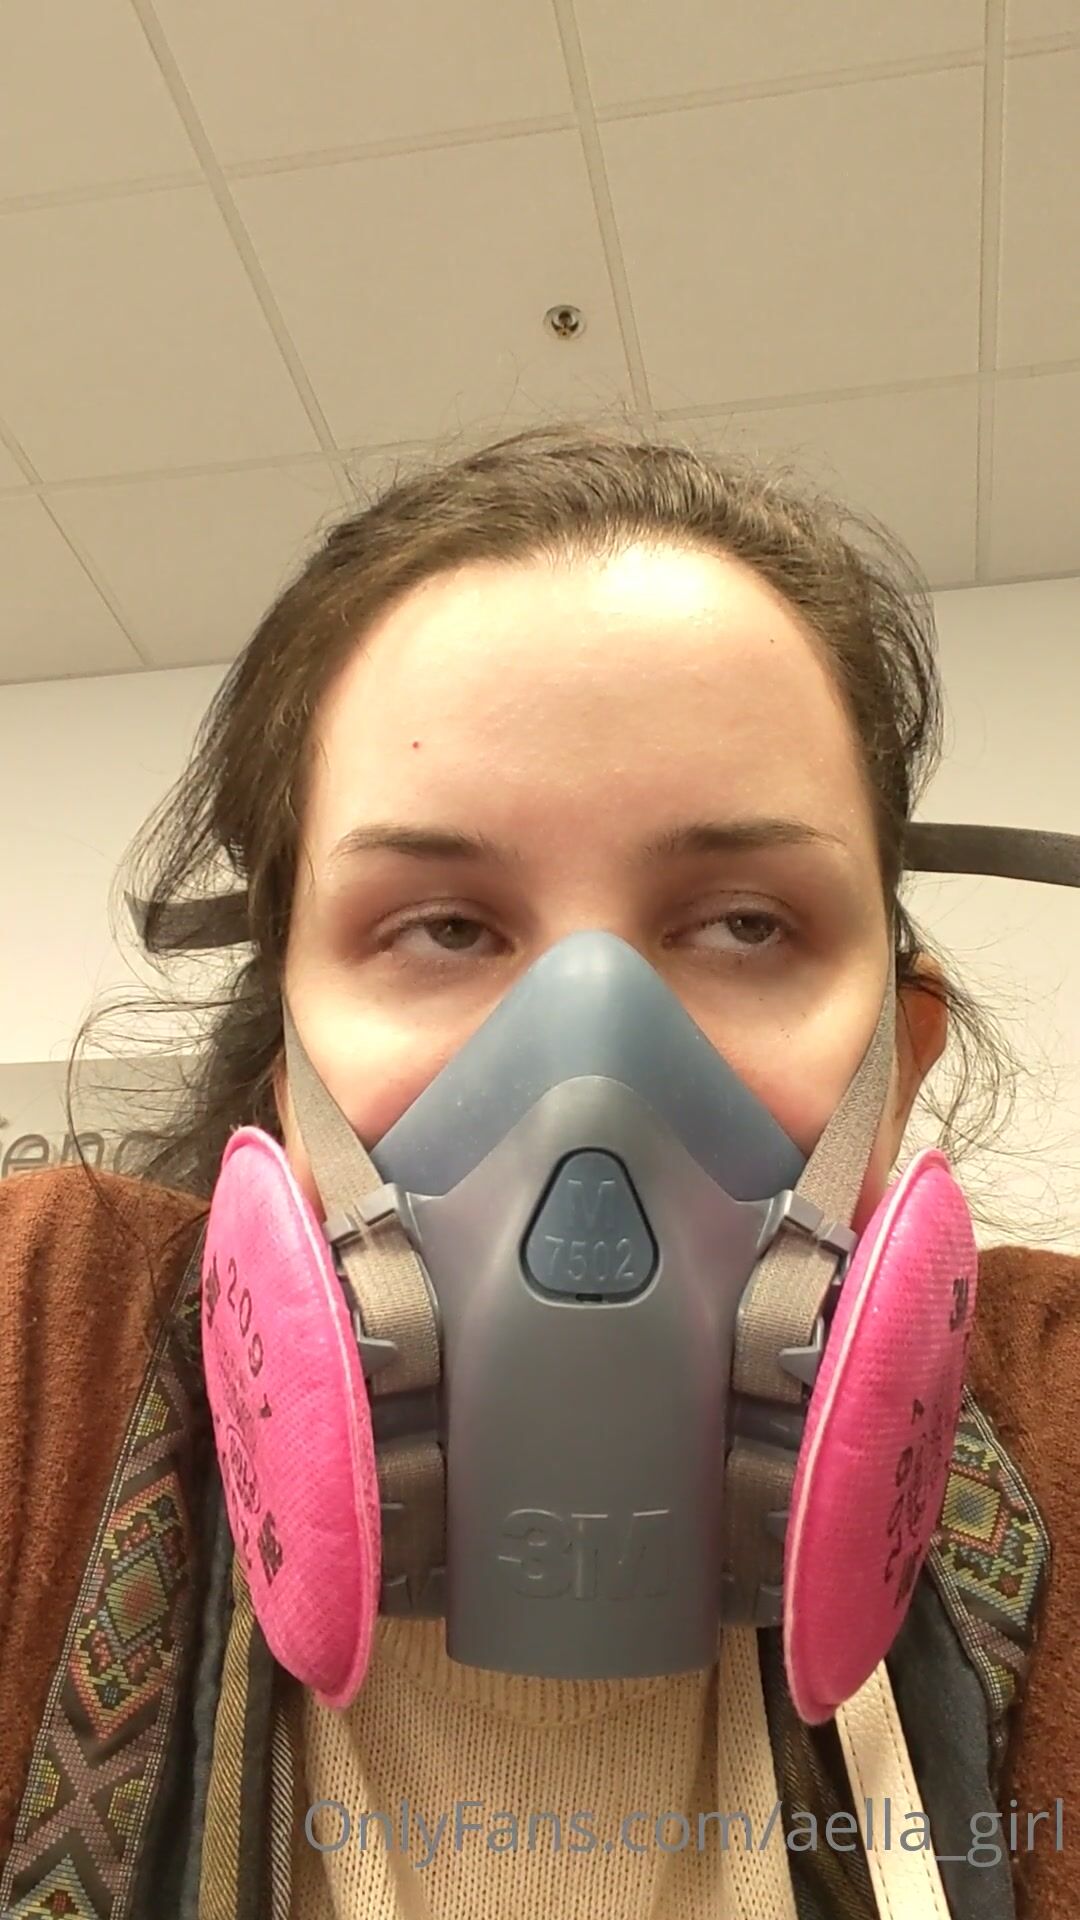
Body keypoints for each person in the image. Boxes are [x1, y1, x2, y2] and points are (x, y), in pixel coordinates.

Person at [1, 422, 1078, 1920]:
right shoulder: (40, 1352)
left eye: (745, 923)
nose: (592, 1060)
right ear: (285, 1071)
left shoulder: (1052, 1411)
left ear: (899, 1062)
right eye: (443, 927)